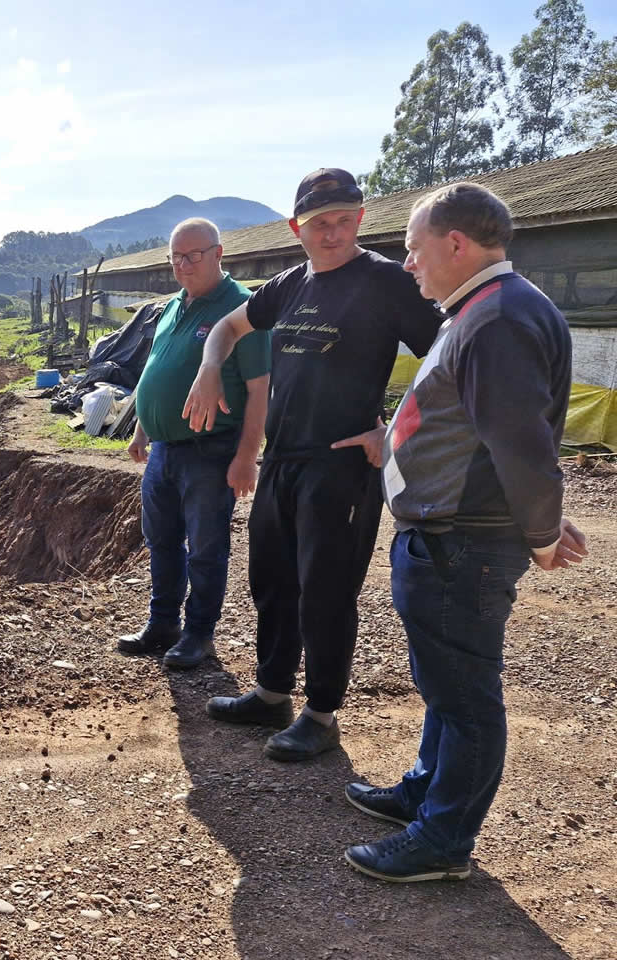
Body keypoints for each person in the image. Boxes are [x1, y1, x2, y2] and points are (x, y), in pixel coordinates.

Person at [342, 183, 586, 882]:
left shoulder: (498, 319)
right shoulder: (480, 310)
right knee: (444, 681)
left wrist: (539, 534)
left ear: (455, 244)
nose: (409, 265)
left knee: (466, 696)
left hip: (465, 542)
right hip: (453, 534)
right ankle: (425, 791)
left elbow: (520, 444)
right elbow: (479, 428)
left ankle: (444, 840)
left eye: (415, 250)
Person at [183, 168, 444, 761]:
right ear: (297, 227)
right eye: (320, 224)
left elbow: (449, 357)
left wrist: (393, 428)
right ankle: (272, 692)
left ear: (360, 218)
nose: (333, 234)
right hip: (283, 460)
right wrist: (208, 366)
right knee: (272, 582)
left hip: (340, 466)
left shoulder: (386, 283)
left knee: (326, 591)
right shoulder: (289, 285)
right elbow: (227, 326)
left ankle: (321, 714)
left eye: (345, 221)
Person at [116, 218, 270, 670]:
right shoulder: (173, 306)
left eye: (193, 256)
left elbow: (260, 390)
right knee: (161, 540)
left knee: (206, 546)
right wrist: (144, 427)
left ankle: (199, 632)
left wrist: (246, 456)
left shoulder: (243, 310)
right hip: (164, 448)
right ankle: (162, 623)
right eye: (176, 257)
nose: (183, 265)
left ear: (219, 254)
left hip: (211, 451)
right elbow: (155, 367)